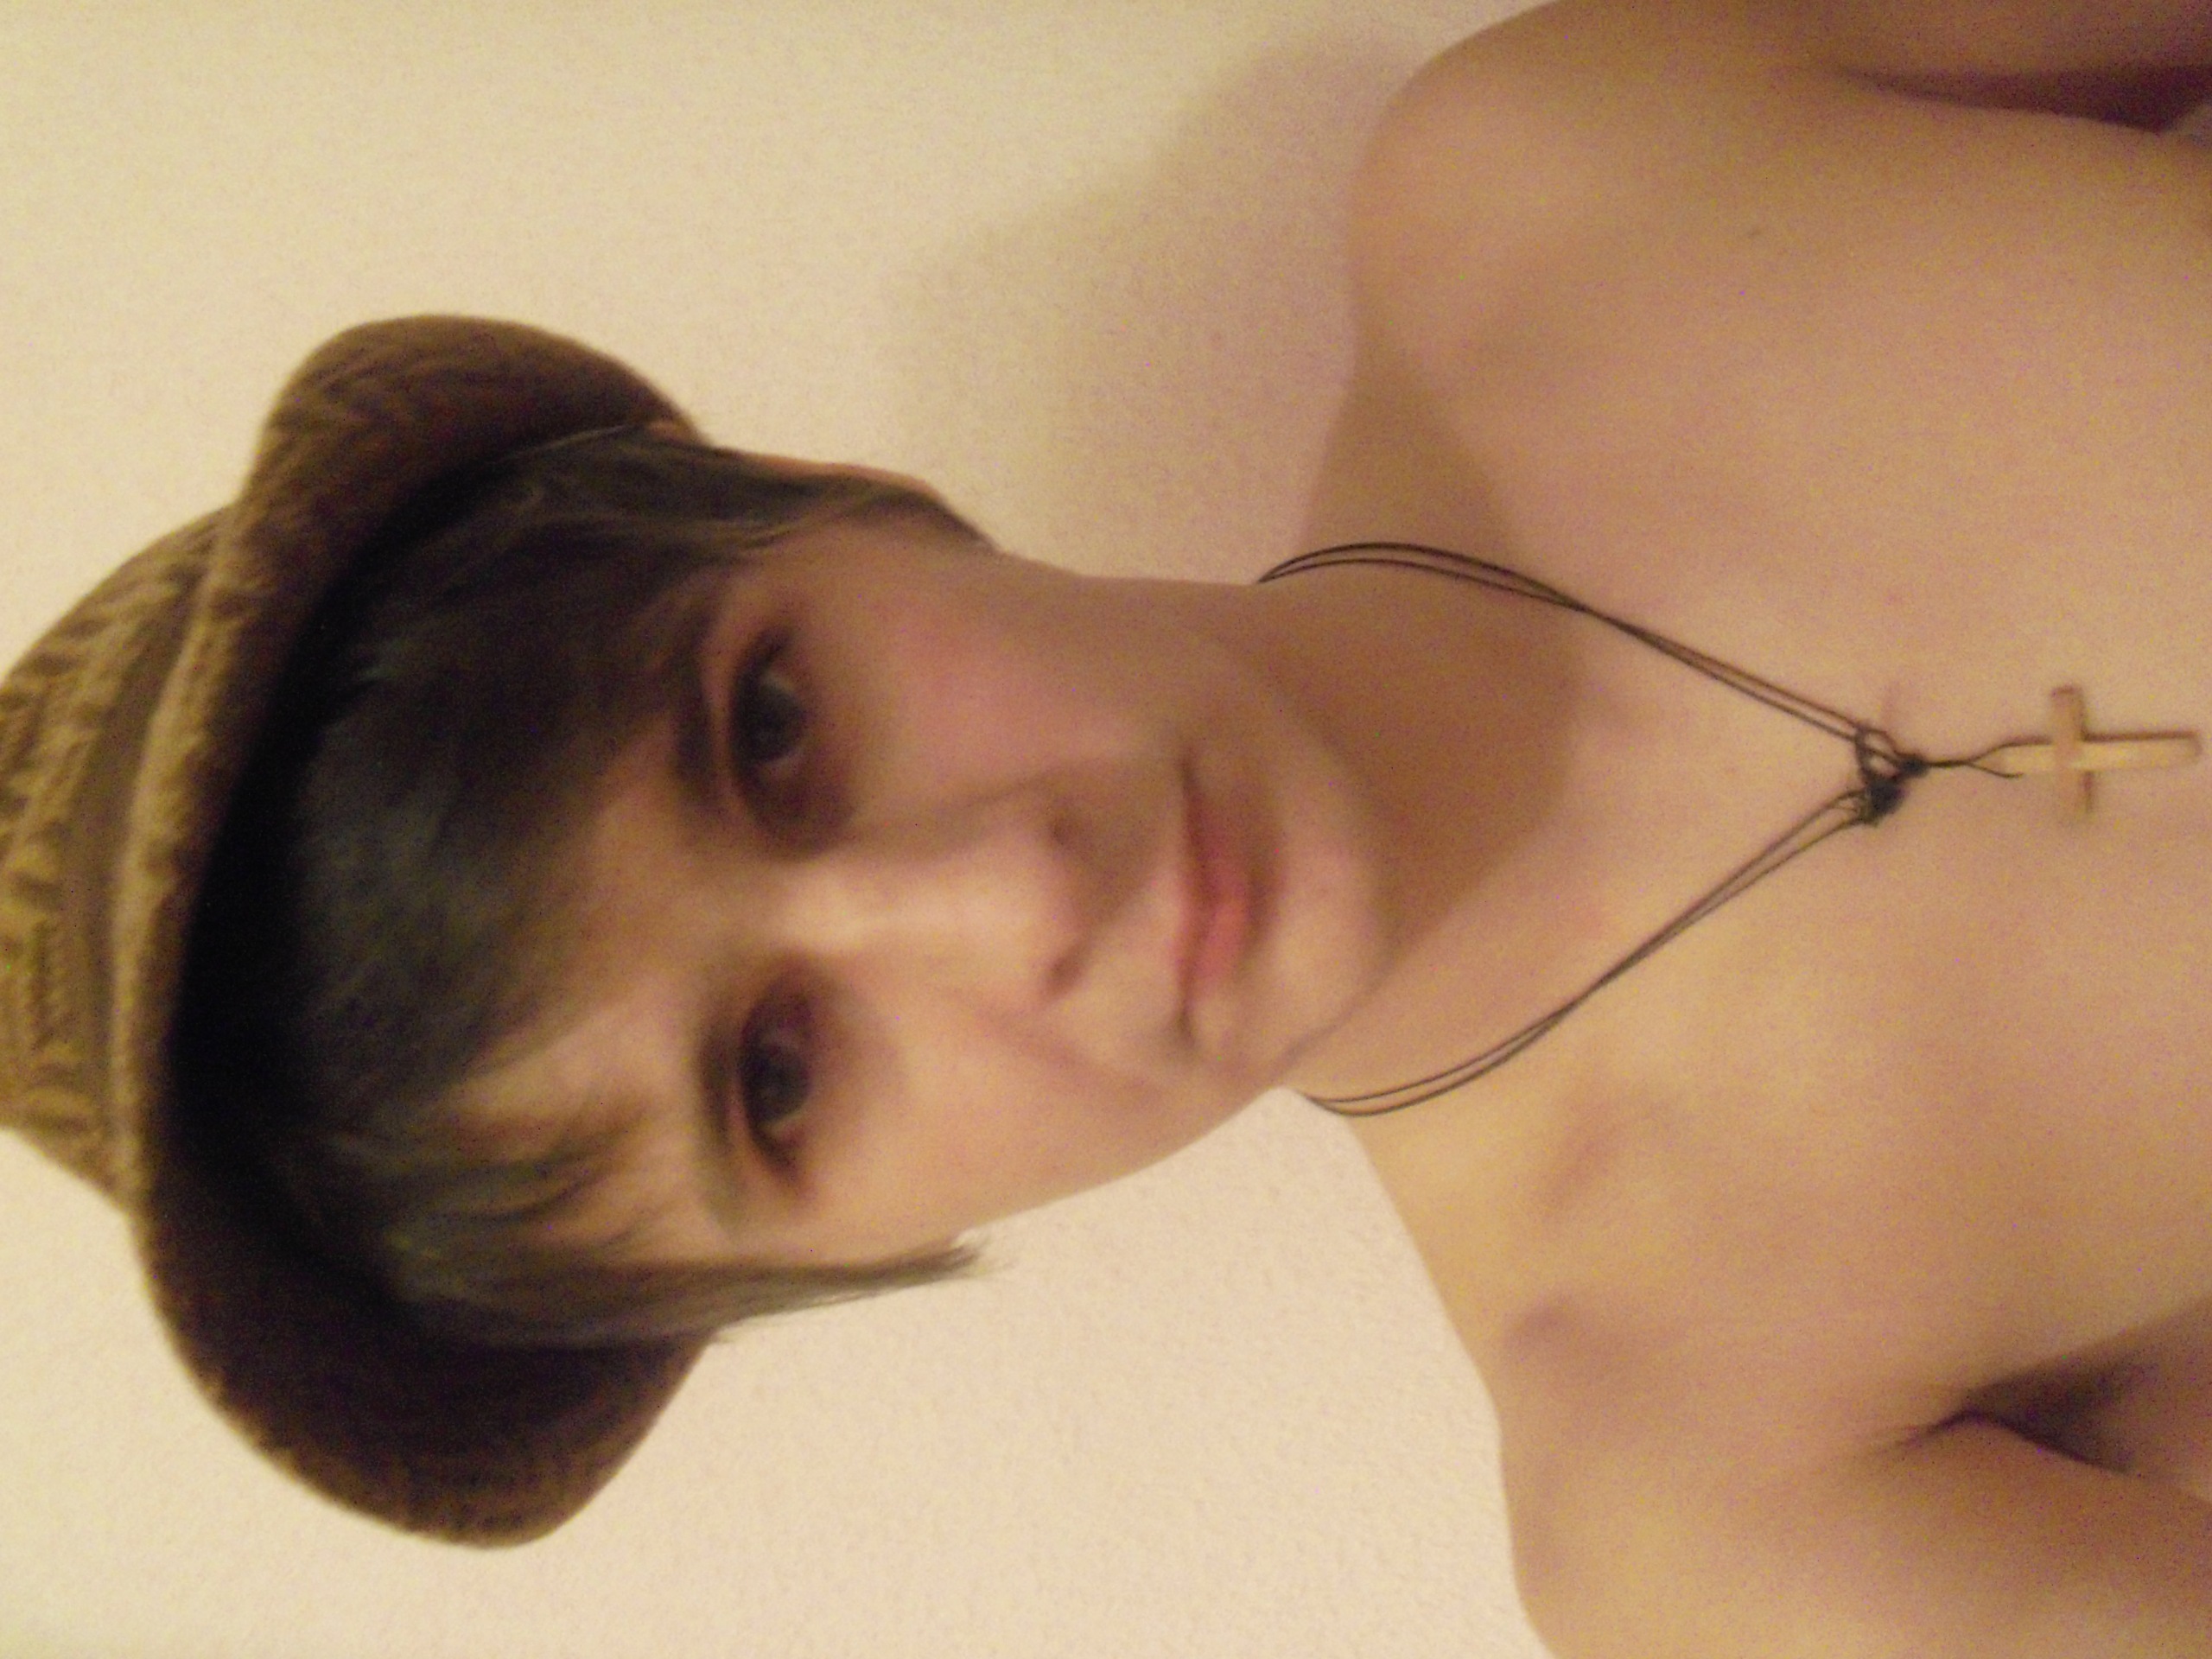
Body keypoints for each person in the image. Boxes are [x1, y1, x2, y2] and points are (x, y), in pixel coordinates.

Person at [3, 0, 2208, 1649]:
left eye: (772, 725)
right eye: (778, 1080)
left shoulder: (1548, 179)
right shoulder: (1702, 1499)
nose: (1003, 894)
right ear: (831, 1268)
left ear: (826, 501)